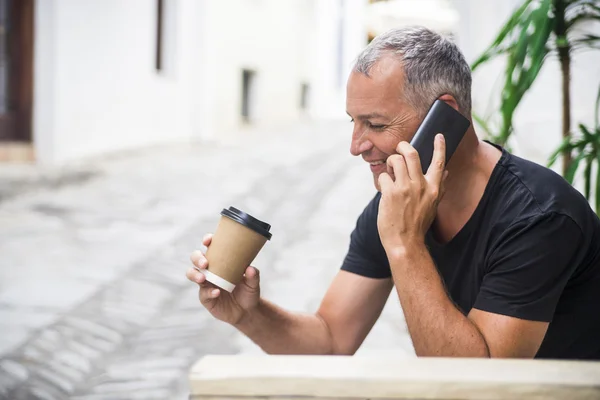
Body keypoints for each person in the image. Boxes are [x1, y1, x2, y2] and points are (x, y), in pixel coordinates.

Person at [186, 26, 600, 359]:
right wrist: (249, 314)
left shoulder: (540, 217)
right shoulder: (393, 203)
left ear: (446, 115)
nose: (356, 145)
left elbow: (476, 386)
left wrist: (404, 244)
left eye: (377, 125)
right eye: (353, 122)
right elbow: (330, 341)